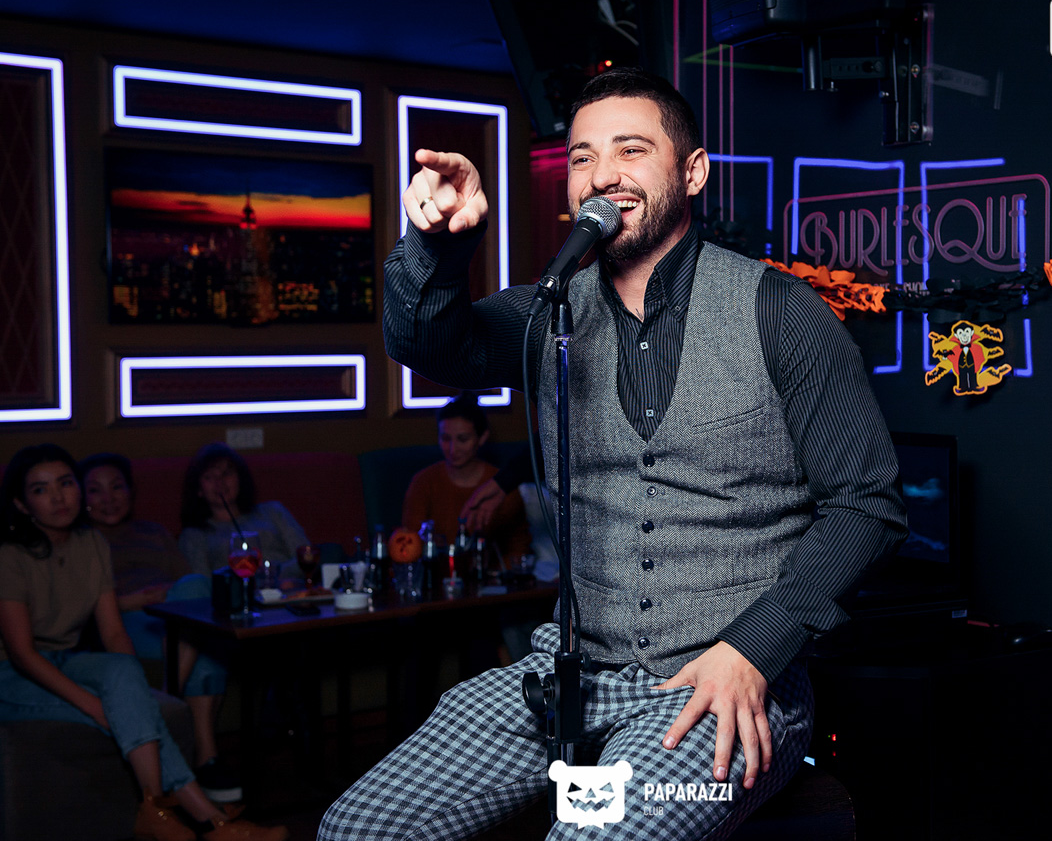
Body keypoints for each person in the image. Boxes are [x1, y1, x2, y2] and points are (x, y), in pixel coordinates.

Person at [320, 67, 906, 840]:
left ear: (692, 172)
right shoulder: (548, 311)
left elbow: (866, 504)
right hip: (570, 672)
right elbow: (430, 344)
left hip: (725, 681)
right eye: (583, 157)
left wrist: (754, 647)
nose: (602, 175)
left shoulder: (782, 310)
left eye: (631, 150)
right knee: (354, 827)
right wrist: (438, 243)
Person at [0, 444, 286, 841]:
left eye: (65, 483)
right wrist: (94, 705)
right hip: (11, 673)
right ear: (21, 504)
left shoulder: (91, 543)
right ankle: (208, 819)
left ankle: (156, 812)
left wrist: (136, 687)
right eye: (40, 489)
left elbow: (114, 633)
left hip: (70, 657)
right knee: (128, 709)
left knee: (129, 684)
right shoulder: (10, 555)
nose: (58, 497)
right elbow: (21, 654)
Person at [80, 452, 241, 803]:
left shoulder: (154, 532)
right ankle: (206, 759)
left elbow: (191, 583)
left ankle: (170, 702)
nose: (108, 498)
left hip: (173, 614)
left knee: (197, 593)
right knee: (206, 646)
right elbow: (80, 605)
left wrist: (170, 598)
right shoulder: (82, 541)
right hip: (126, 620)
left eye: (117, 487)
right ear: (82, 497)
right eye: (96, 490)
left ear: (131, 491)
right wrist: (136, 601)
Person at [401, 395, 532, 559]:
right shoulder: (424, 482)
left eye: (462, 439)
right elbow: (409, 543)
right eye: (445, 438)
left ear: (482, 437)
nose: (452, 449)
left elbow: (519, 549)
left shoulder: (502, 485)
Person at [177, 443, 309, 580]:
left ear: (240, 478)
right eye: (209, 477)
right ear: (199, 488)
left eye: (226, 474)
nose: (219, 482)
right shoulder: (194, 536)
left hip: (292, 588)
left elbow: (307, 556)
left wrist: (276, 574)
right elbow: (201, 584)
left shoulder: (273, 511)